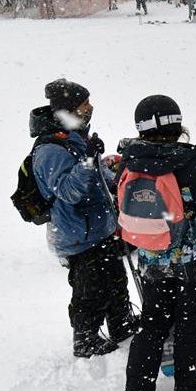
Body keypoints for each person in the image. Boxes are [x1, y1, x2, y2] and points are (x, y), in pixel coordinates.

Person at [118, 95, 196, 391]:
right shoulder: (189, 160)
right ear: (176, 123)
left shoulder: (131, 158)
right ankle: (190, 381)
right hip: (192, 256)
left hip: (151, 254)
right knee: (190, 316)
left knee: (153, 320)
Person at [30, 79, 137, 357]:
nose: (90, 108)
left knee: (115, 279)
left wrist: (117, 176)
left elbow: (99, 177)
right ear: (68, 109)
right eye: (84, 104)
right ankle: (85, 338)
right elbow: (68, 191)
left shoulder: (77, 136)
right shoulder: (49, 150)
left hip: (100, 227)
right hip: (77, 234)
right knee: (89, 290)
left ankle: (122, 323)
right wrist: (89, 161)